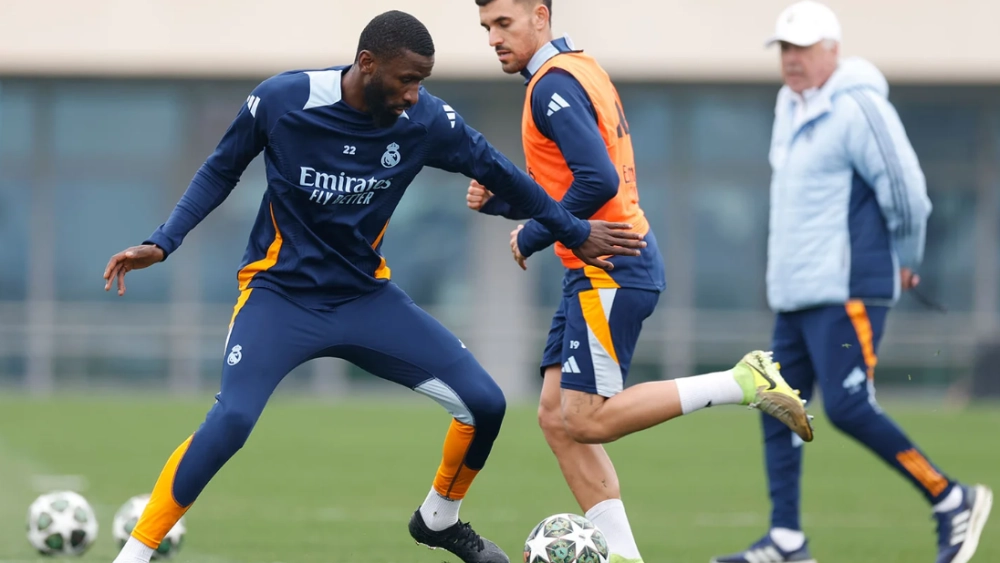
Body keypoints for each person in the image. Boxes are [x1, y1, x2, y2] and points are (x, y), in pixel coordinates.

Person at [101, 10, 650, 563]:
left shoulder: (426, 121)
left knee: (485, 403)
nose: (416, 95)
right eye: (407, 80)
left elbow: (501, 173)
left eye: (423, 81)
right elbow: (220, 169)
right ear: (367, 65)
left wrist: (572, 229)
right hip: (278, 296)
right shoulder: (283, 100)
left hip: (364, 297)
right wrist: (164, 240)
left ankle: (439, 519)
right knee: (233, 420)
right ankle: (135, 555)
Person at [469, 2, 814, 562]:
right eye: (486, 28)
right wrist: (505, 203)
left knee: (584, 418)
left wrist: (531, 233)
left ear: (539, 15)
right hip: (597, 266)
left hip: (611, 266)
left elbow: (596, 180)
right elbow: (570, 184)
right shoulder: (581, 69)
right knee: (557, 419)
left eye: (503, 24)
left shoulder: (552, 87)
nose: (493, 39)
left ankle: (742, 382)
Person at [711, 3, 993, 563]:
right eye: (785, 49)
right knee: (775, 401)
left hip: (847, 289)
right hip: (795, 292)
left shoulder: (860, 105)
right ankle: (787, 540)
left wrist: (908, 255)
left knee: (846, 407)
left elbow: (907, 189)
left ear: (833, 51)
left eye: (804, 48)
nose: (792, 60)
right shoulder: (789, 105)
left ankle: (951, 497)